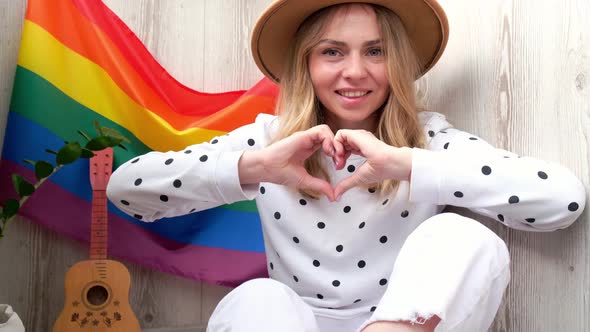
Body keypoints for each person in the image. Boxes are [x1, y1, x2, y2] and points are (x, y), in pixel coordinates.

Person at [106, 0, 586, 331]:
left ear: (395, 62)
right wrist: (255, 167)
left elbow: (562, 200)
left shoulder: (428, 139)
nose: (355, 71)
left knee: (466, 238)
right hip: (293, 320)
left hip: (406, 321)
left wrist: (410, 165)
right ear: (306, 65)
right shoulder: (267, 140)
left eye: (375, 51)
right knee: (257, 298)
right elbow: (127, 190)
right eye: (332, 51)